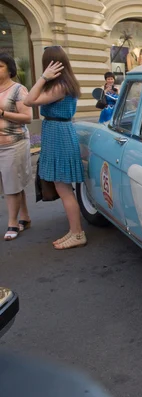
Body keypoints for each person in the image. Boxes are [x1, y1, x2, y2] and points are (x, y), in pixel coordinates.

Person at [23, 46, 87, 250]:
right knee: (64, 188)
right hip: (59, 133)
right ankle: (74, 230)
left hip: (59, 135)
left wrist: (43, 77)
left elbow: (28, 100)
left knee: (64, 189)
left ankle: (77, 234)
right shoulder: (65, 84)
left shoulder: (59, 87)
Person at [0, 53, 33, 241]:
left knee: (12, 185)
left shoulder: (18, 90)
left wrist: (3, 112)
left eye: (0, 66)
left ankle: (12, 222)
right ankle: (25, 217)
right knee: (11, 182)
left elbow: (27, 117)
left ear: (10, 69)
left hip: (14, 142)